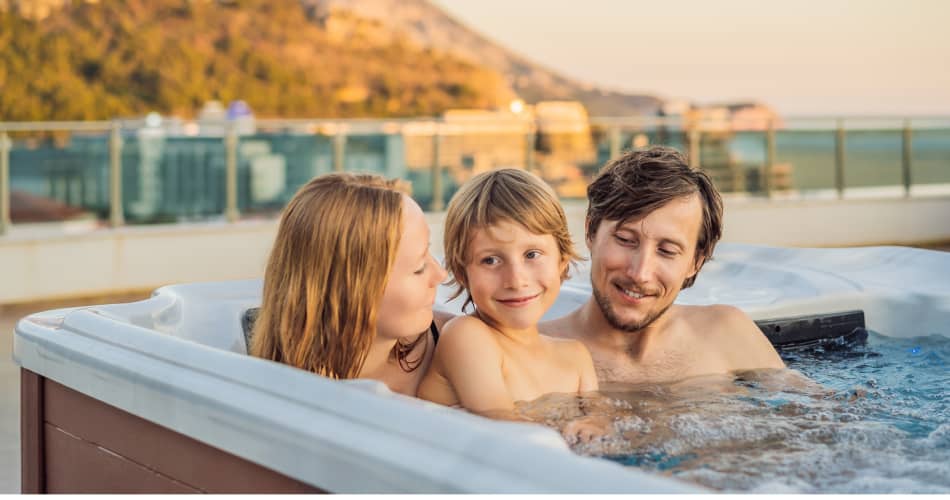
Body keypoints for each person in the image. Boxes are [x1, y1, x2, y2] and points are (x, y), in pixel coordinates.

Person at [540, 146, 785, 384]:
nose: (640, 273)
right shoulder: (535, 352)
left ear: (695, 262)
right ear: (591, 231)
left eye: (667, 251)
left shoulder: (726, 333)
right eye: (625, 240)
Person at [418, 169, 601, 425]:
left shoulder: (576, 355)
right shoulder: (467, 336)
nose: (516, 280)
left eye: (532, 255)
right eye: (490, 260)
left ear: (562, 261)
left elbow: (602, 424)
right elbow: (506, 429)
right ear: (461, 273)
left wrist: (595, 425)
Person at [250, 173, 447, 396]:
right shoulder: (260, 389)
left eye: (430, 251)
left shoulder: (461, 346)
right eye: (419, 267)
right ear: (351, 290)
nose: (441, 274)